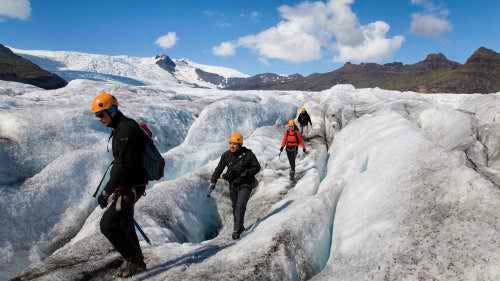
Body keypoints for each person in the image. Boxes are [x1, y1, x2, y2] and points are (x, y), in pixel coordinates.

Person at [91, 91, 147, 278]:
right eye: (97, 115)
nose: (99, 119)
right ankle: (137, 261)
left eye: (101, 114)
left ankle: (132, 260)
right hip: (130, 185)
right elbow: (121, 164)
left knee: (107, 224)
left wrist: (107, 192)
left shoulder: (125, 130)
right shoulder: (122, 128)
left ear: (112, 110)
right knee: (125, 223)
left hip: (129, 187)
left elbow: (123, 166)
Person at [208, 132, 261, 240]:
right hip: (233, 185)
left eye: (234, 144)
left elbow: (257, 167)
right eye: (230, 143)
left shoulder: (248, 154)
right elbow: (219, 169)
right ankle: (240, 227)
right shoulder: (226, 155)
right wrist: (213, 181)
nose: (232, 146)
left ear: (240, 145)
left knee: (240, 205)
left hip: (246, 183)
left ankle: (236, 230)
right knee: (235, 207)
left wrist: (246, 173)